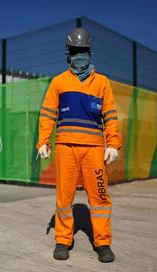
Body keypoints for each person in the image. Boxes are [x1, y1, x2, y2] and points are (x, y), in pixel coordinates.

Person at [36, 27, 121, 263]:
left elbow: (111, 115)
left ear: (90, 52)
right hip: (65, 148)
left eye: (82, 50)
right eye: (75, 50)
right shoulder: (58, 83)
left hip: (94, 149)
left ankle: (103, 243)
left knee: (100, 198)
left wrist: (113, 143)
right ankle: (63, 240)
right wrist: (43, 141)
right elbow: (47, 114)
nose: (79, 55)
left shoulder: (102, 83)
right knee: (64, 198)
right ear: (68, 53)